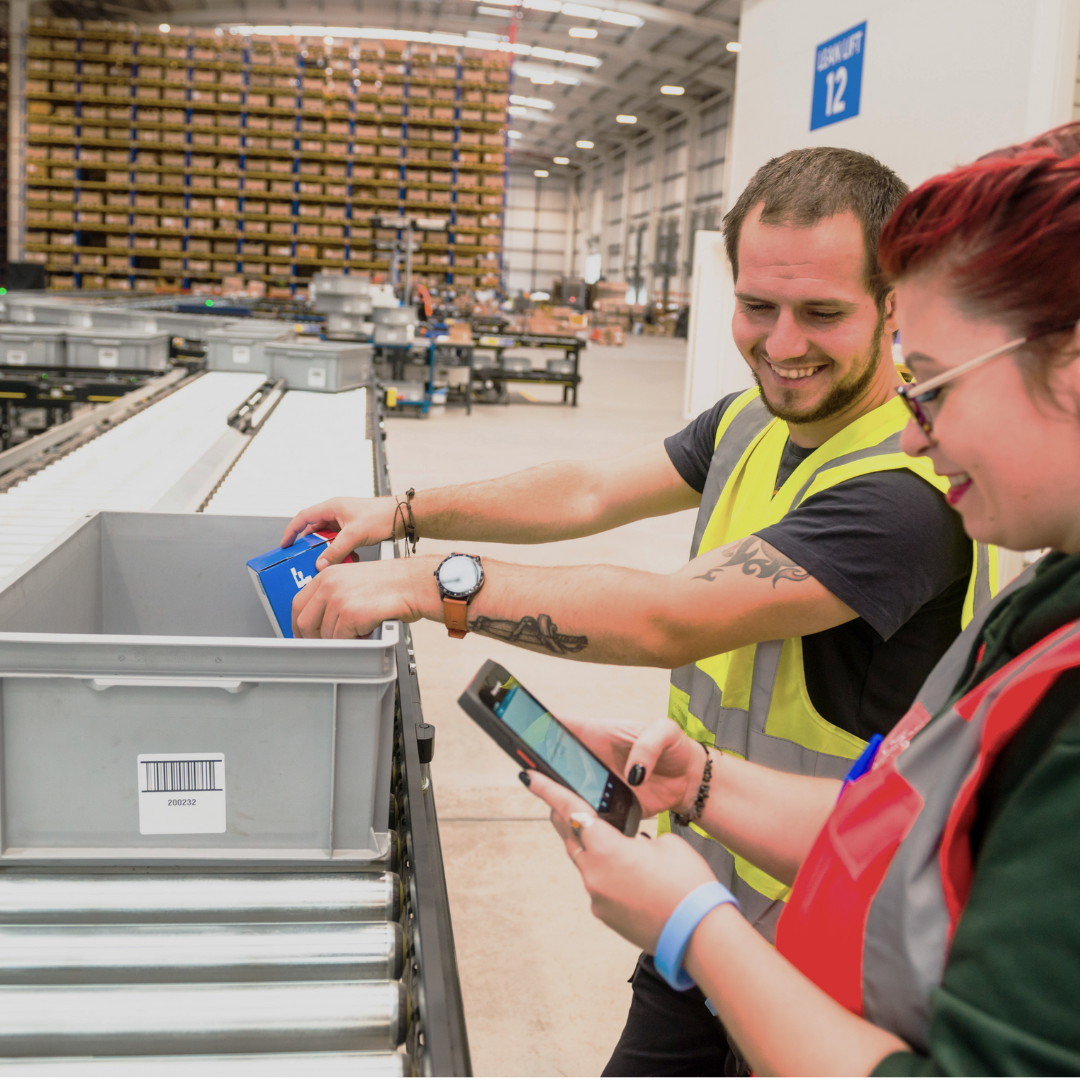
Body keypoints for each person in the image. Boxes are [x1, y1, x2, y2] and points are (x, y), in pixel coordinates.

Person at [284, 148, 993, 1073]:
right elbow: (586, 490)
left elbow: (668, 616)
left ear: (893, 303)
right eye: (757, 307)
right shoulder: (752, 420)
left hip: (832, 946)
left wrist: (431, 583)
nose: (782, 345)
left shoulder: (905, 491)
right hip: (714, 888)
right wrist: (407, 511)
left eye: (822, 313)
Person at [523, 122, 1080, 1075]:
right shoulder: (1046, 596)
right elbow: (918, 828)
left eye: (934, 386)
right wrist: (699, 784)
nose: (914, 434)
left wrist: (698, 930)